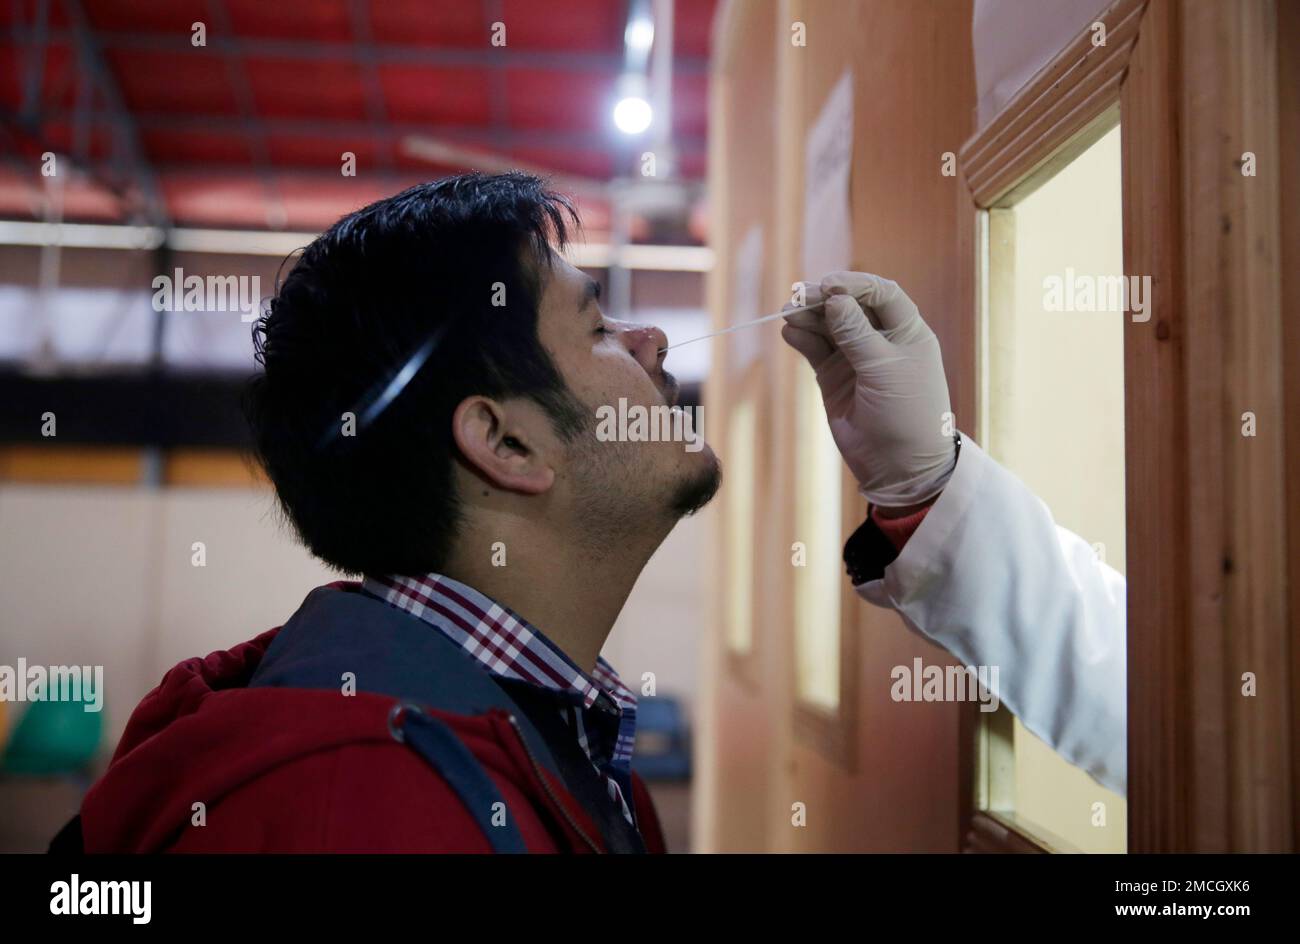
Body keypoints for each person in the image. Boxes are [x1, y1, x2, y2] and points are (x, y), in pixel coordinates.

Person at [61, 172, 1122, 855]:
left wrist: (920, 485)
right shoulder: (366, 803)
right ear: (507, 442)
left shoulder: (538, 732)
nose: (655, 344)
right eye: (604, 326)